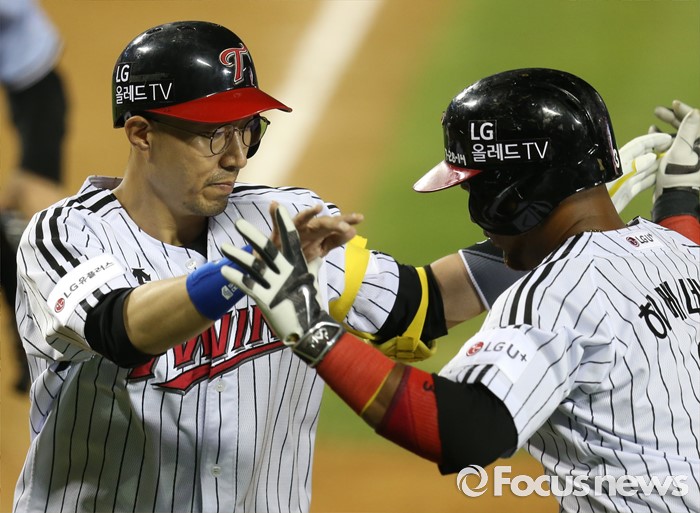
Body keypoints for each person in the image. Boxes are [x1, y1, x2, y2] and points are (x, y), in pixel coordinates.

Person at [11, 22, 676, 511]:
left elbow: (419, 303)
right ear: (141, 132)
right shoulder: (66, 235)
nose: (236, 155)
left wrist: (569, 218)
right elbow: (119, 328)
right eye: (212, 133)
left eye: (247, 129)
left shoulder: (280, 216)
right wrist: (239, 274)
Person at [221, 69, 700, 513]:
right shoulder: (680, 251)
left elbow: (463, 430)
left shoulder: (551, 297)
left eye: (475, 188)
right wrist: (681, 198)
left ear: (512, 194)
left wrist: (311, 330)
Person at [0, 0, 68, 392]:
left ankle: (40, 343)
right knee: (28, 215)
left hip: (29, 76)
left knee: (26, 207)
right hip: (30, 78)